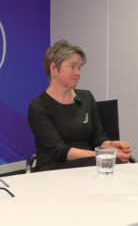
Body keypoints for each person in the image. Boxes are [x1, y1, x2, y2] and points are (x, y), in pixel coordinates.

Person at [28, 40, 132, 171]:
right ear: (54, 68)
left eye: (79, 68)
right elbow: (60, 151)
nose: (78, 73)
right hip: (55, 169)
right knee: (109, 163)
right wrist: (104, 155)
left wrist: (112, 145)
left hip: (89, 163)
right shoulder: (39, 106)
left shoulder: (86, 97)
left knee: (112, 163)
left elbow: (97, 138)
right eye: (72, 67)